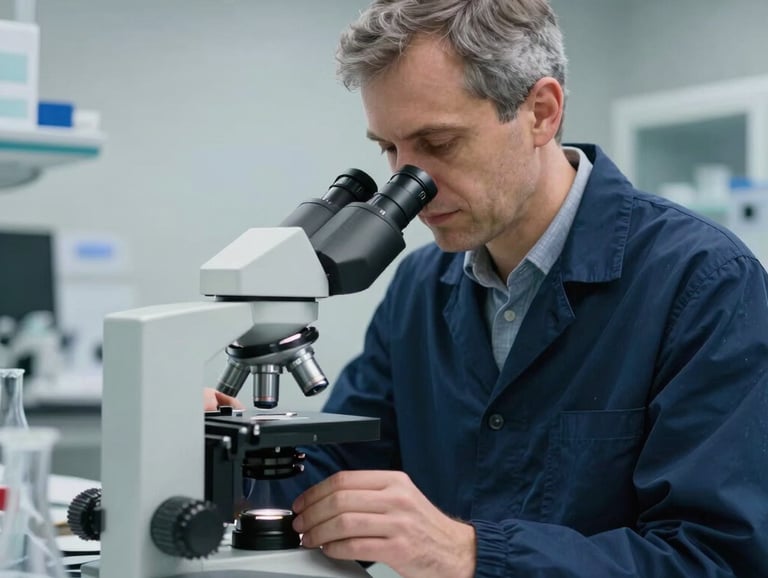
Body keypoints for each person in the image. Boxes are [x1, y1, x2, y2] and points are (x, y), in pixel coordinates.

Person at [208, 1, 768, 576]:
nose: (410, 183)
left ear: (541, 113)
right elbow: (339, 475)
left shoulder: (702, 283)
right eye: (388, 150)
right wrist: (211, 457)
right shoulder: (422, 287)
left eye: (439, 144)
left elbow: (716, 557)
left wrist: (471, 554)